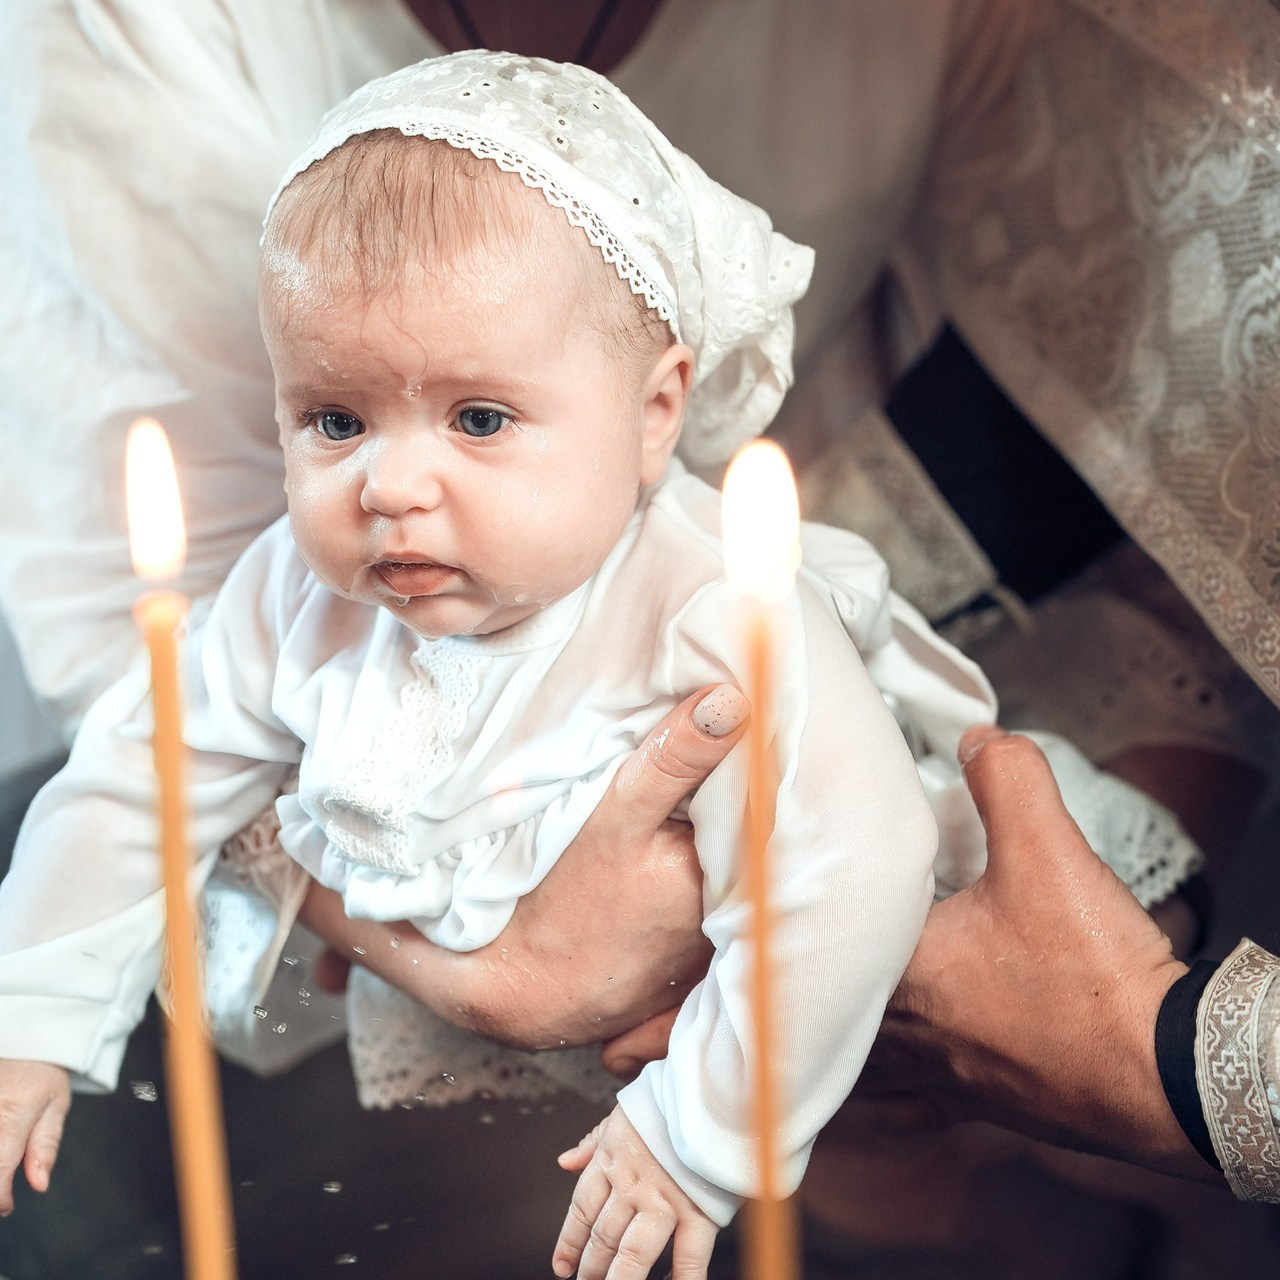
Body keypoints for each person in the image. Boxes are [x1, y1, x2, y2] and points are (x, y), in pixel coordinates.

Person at [4, 0, 1280, 1232]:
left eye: (479, 419)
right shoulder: (296, 583)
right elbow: (137, 771)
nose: (388, 486)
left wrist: (702, 1130)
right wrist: (35, 1016)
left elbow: (862, 861)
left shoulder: (709, 603)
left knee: (959, 1180)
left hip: (861, 948)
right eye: (332, 420)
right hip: (552, 994)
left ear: (655, 412)